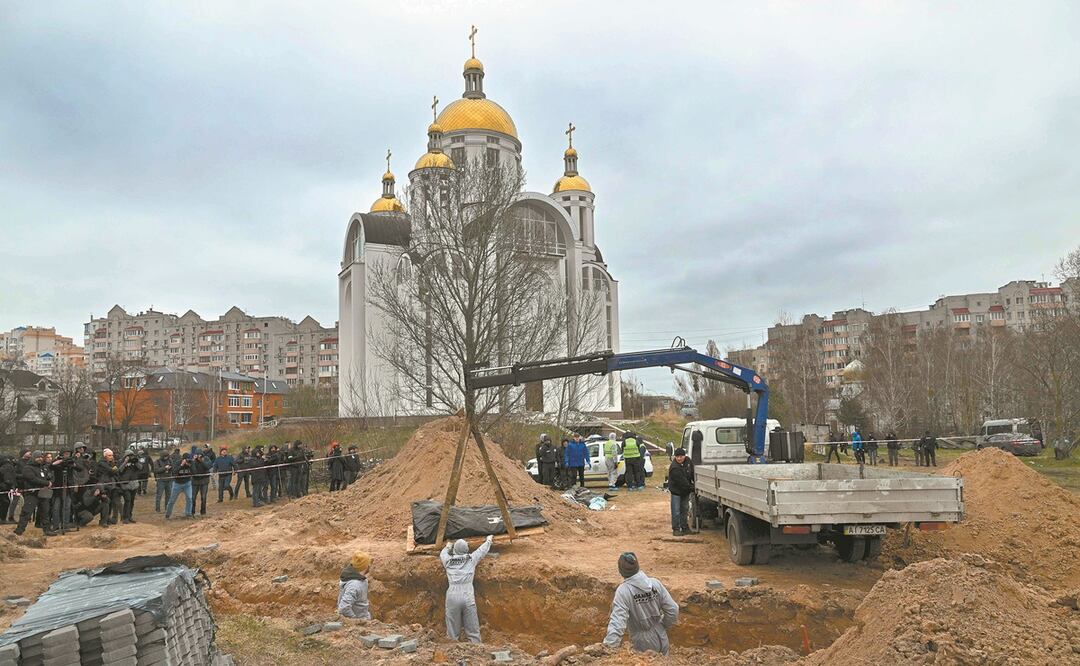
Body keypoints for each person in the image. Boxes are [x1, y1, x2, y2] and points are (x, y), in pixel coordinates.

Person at [603, 553, 678, 655]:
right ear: (637, 566)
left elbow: (617, 623)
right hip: (662, 637)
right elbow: (673, 609)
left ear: (621, 570)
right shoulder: (655, 583)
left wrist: (608, 649)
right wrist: (662, 625)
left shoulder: (623, 591)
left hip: (642, 643)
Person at [440, 535, 493, 643]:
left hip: (452, 595)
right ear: (466, 549)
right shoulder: (471, 559)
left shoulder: (448, 561)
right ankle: (476, 649)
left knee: (452, 631)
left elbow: (442, 554)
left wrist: (448, 546)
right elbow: (481, 551)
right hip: (467, 595)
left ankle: (452, 650)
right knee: (473, 629)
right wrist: (488, 540)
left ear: (455, 550)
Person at [15, 450, 55, 536]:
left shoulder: (43, 468)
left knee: (45, 512)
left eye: (41, 457)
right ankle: (19, 530)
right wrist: (46, 483)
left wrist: (50, 482)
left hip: (43, 493)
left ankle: (47, 530)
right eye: (38, 457)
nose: (40, 459)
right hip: (32, 494)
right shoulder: (28, 468)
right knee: (26, 512)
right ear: (33, 457)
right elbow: (32, 479)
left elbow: (50, 476)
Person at [337, 551, 372, 620]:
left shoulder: (358, 579)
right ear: (365, 566)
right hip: (360, 623)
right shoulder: (354, 585)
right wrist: (355, 621)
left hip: (363, 618)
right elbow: (344, 608)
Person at [667, 448, 694, 536]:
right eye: (677, 457)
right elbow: (682, 482)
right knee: (676, 511)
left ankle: (685, 528)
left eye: (681, 456)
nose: (679, 458)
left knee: (685, 510)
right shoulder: (674, 467)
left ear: (684, 456)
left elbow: (692, 473)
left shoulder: (688, 461)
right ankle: (676, 529)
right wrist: (692, 488)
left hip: (685, 492)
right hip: (676, 492)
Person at [95, 448, 122, 526]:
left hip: (110, 486)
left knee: (109, 504)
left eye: (112, 455)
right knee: (105, 502)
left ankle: (107, 519)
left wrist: (114, 466)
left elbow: (115, 471)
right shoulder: (102, 463)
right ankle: (103, 521)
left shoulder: (109, 463)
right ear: (105, 456)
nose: (111, 457)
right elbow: (113, 471)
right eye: (109, 455)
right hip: (103, 486)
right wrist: (115, 466)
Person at [164, 454, 194, 520]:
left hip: (187, 483)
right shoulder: (177, 462)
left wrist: (190, 466)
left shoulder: (191, 463)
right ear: (183, 459)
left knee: (189, 498)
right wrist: (181, 465)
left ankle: (188, 513)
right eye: (186, 459)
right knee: (172, 500)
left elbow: (194, 472)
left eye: (188, 459)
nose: (187, 461)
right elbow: (174, 473)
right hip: (177, 484)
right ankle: (168, 514)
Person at [118, 450, 143, 524]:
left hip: (134, 484)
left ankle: (130, 516)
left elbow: (140, 468)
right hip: (125, 484)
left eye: (132, 455)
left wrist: (136, 462)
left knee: (132, 501)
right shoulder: (121, 461)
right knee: (127, 500)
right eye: (129, 455)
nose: (131, 457)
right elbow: (120, 470)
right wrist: (125, 462)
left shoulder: (134, 461)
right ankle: (125, 517)